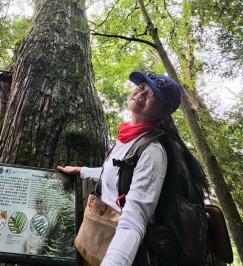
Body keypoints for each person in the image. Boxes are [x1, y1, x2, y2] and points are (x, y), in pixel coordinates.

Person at [58, 71, 209, 266]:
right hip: (105, 237)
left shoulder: (153, 151)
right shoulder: (127, 137)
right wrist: (80, 171)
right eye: (142, 86)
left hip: (130, 250)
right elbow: (114, 173)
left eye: (153, 93)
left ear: (165, 110)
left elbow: (134, 219)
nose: (142, 92)